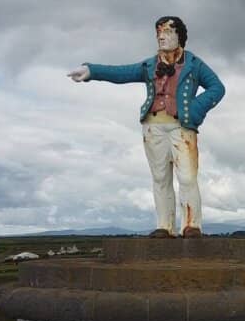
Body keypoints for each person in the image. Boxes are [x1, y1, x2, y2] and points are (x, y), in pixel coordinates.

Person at [67, 17, 225, 238]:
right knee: (160, 177)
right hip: (153, 127)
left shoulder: (194, 64)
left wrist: (195, 109)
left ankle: (191, 225)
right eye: (159, 32)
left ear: (180, 36)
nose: (162, 36)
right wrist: (91, 71)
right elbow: (122, 73)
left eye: (168, 32)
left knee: (187, 177)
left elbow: (217, 88)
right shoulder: (150, 65)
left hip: (182, 127)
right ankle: (164, 226)